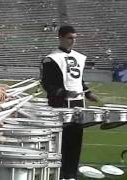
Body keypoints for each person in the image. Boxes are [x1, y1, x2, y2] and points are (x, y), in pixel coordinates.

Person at [40, 25, 97, 180]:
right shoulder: (51, 59)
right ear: (60, 38)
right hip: (60, 104)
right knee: (61, 141)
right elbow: (47, 84)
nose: (73, 41)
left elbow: (78, 80)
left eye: (74, 38)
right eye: (69, 38)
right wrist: (64, 93)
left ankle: (71, 173)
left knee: (76, 140)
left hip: (78, 103)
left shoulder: (79, 56)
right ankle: (59, 173)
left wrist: (88, 92)